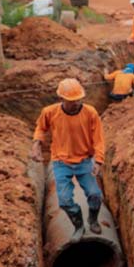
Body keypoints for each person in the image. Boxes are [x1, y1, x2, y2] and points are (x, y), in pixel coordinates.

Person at [30, 78, 106, 240]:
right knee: (64, 201)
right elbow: (40, 128)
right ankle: (78, 226)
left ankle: (93, 219)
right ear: (61, 99)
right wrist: (36, 145)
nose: (76, 103)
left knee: (95, 195)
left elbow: (99, 139)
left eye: (78, 99)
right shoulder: (50, 112)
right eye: (71, 101)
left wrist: (98, 161)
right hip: (60, 162)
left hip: (85, 160)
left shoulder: (90, 113)